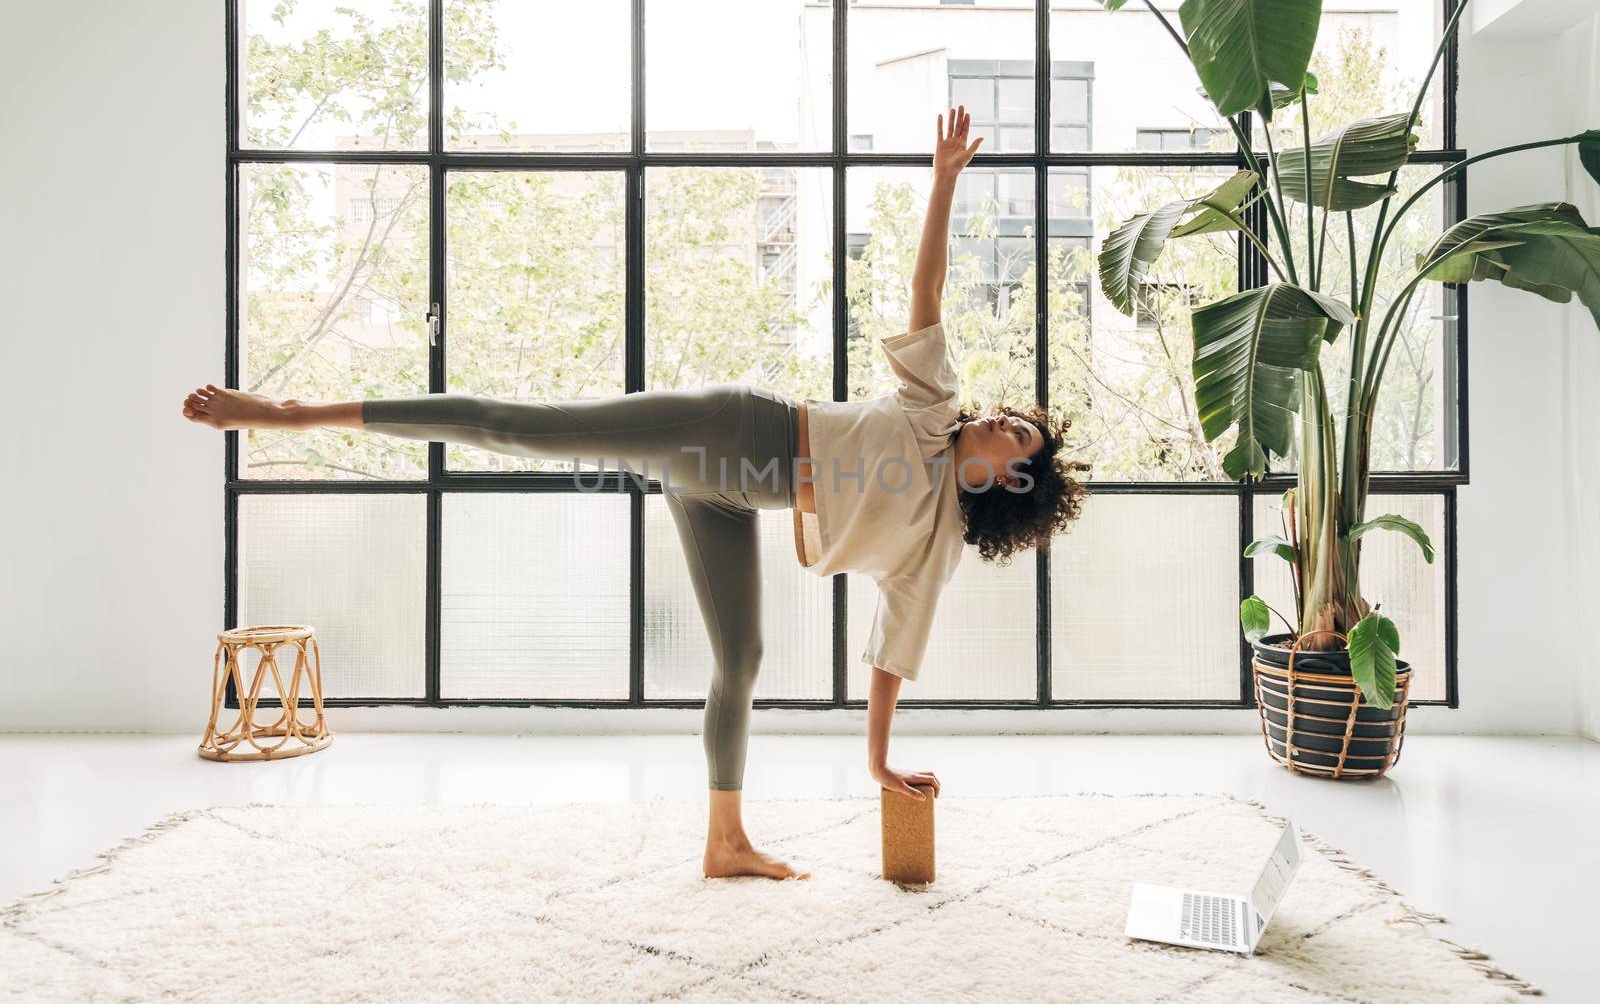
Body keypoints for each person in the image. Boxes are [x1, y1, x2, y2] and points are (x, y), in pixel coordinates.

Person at [182, 104, 1088, 881]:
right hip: (734, 431)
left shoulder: (933, 551)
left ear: (1010, 480)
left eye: (1017, 438)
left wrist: (880, 762)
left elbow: (891, 656)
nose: (1000, 424)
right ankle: (290, 411)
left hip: (735, 501)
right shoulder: (931, 408)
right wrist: (943, 180)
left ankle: (725, 839)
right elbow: (927, 287)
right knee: (520, 425)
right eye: (1010, 418)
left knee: (742, 660)